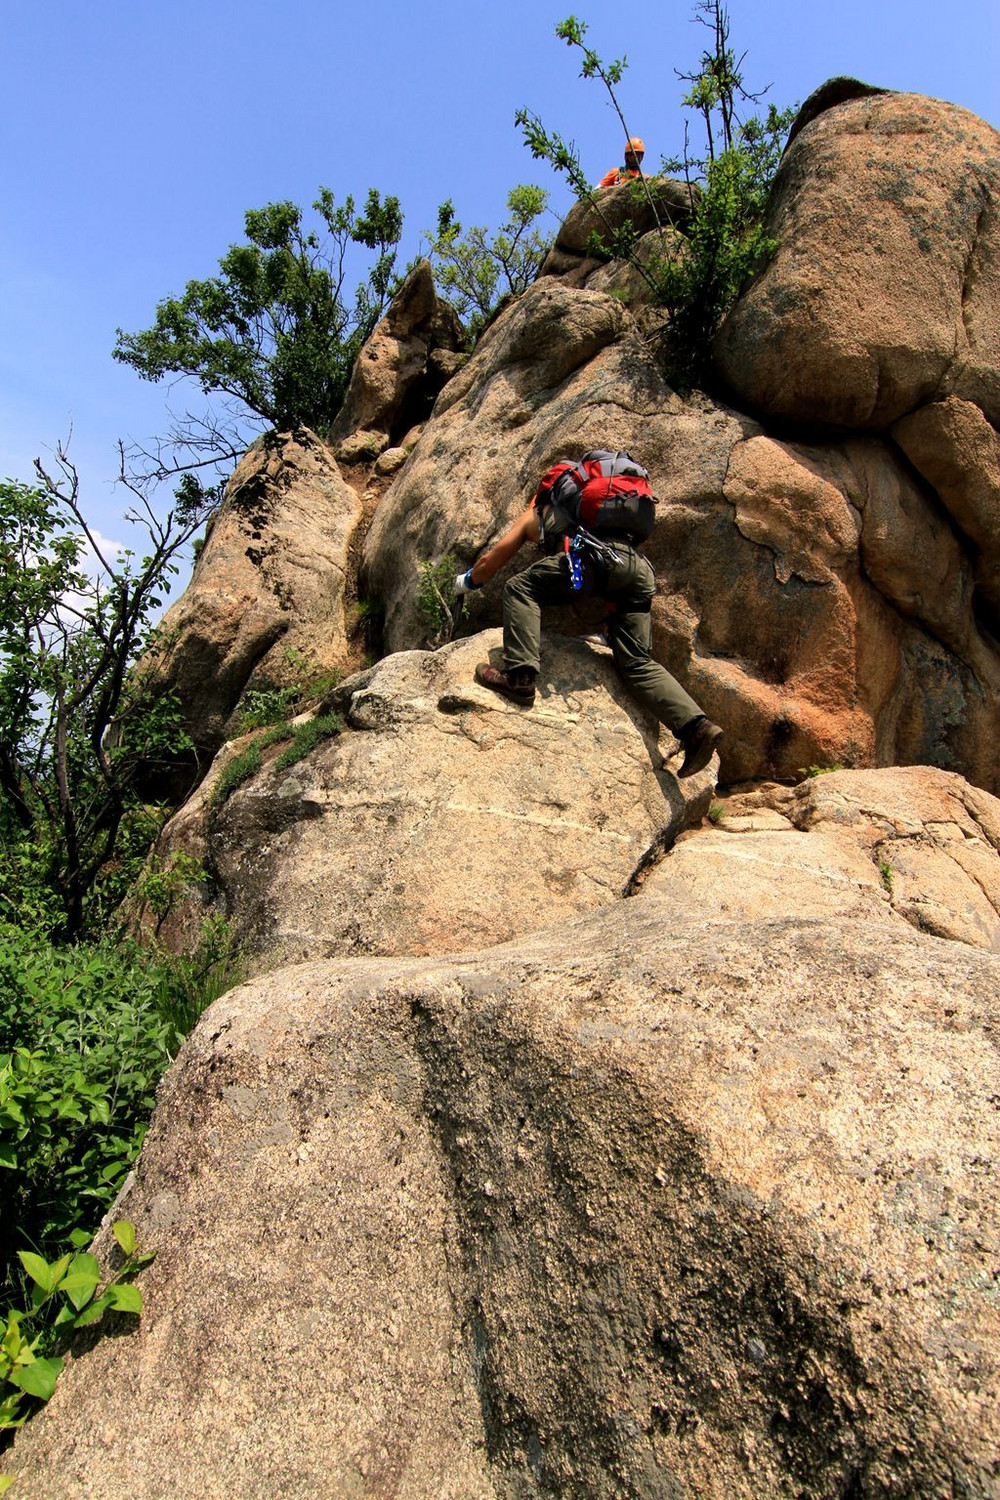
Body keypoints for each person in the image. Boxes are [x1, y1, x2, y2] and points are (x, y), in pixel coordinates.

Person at [454, 461, 724, 779]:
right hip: (635, 569)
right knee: (636, 662)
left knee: (520, 587)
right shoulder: (609, 514)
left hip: (590, 563)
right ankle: (697, 727)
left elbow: (494, 559)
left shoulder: (539, 512)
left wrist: (467, 581)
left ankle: (520, 678)